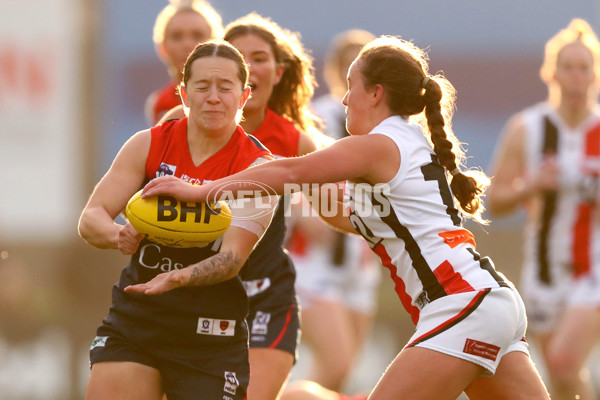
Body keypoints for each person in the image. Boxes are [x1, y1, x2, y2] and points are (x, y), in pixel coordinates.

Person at [140, 35, 551, 400]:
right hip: (491, 301)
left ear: (375, 93)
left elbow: (289, 171)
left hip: (463, 303)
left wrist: (199, 189)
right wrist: (294, 181)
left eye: (351, 86)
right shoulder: (404, 143)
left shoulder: (379, 143)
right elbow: (345, 215)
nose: (343, 99)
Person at [78, 40, 276, 400]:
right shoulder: (147, 144)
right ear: (184, 94)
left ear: (245, 96)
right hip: (137, 319)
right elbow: (91, 217)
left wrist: (177, 278)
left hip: (211, 335)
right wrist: (118, 234)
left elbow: (231, 259)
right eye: (202, 87)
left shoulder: (259, 169)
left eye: (225, 87)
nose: (213, 97)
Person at [157, 12, 324, 400]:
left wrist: (392, 216)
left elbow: (339, 210)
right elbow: (143, 201)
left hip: (263, 298)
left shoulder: (296, 142)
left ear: (276, 72)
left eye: (260, 58)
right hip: (191, 298)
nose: (251, 66)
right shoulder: (175, 123)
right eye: (241, 57)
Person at [487, 18, 600, 400]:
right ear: (551, 73)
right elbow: (494, 201)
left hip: (593, 268)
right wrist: (531, 186)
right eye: (567, 67)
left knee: (567, 362)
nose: (575, 76)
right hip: (545, 269)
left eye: (584, 68)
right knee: (561, 376)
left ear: (594, 75)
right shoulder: (527, 128)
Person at [285, 29, 381, 392]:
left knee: (345, 373)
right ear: (336, 71)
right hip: (315, 262)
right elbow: (284, 170)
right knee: (336, 364)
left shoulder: (387, 127)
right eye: (350, 65)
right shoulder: (315, 116)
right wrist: (301, 211)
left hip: (360, 262)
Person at [144, 0, 223, 125]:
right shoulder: (159, 103)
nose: (187, 44)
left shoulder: (232, 97)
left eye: (197, 35)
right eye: (177, 36)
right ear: (163, 48)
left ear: (216, 43)